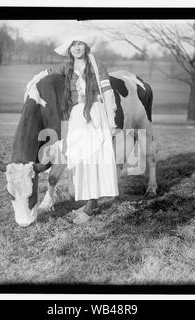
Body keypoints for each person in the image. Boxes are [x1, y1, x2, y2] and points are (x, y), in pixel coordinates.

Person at [24, 35, 119, 224]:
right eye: (73, 45)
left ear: (85, 47)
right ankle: (91, 202)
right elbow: (48, 72)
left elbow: (108, 94)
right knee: (82, 160)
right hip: (77, 117)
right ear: (69, 49)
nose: (77, 48)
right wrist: (32, 84)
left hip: (95, 114)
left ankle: (91, 208)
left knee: (93, 159)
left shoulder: (97, 65)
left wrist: (112, 121)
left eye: (80, 44)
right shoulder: (67, 67)